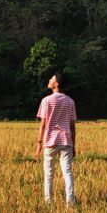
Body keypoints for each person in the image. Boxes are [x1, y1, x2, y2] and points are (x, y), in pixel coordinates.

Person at [35, 72, 77, 206]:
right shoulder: (70, 101)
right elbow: (72, 127)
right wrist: (74, 145)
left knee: (48, 174)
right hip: (66, 141)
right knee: (68, 173)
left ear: (56, 84)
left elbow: (43, 125)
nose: (49, 80)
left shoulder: (46, 101)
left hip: (50, 141)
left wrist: (39, 144)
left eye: (51, 79)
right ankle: (70, 202)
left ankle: (49, 203)